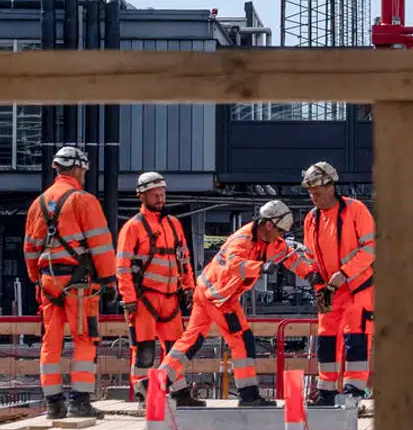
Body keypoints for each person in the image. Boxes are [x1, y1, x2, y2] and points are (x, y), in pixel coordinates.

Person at [156, 200, 314, 407]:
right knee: (242, 339)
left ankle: (157, 383)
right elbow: (234, 265)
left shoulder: (272, 242)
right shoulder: (242, 239)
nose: (282, 236)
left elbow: (289, 258)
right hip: (219, 296)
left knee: (190, 341)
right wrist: (261, 267)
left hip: (209, 292)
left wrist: (311, 275)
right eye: (280, 230)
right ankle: (248, 395)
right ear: (268, 225)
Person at [24, 146, 117, 420]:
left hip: (48, 281)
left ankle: (53, 404)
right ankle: (80, 400)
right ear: (77, 169)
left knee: (50, 342)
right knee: (85, 338)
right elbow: (101, 244)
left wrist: (36, 281)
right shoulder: (83, 200)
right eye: (84, 171)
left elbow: (30, 250)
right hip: (78, 284)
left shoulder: (37, 204)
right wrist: (109, 280)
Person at [298, 162, 375, 405]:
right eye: (310, 192)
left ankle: (353, 390)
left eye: (317, 191)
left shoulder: (355, 210)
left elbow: (371, 249)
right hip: (329, 291)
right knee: (326, 341)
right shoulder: (311, 218)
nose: (314, 197)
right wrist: (316, 283)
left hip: (357, 288)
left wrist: (343, 274)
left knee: (356, 339)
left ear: (331, 187)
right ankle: (326, 392)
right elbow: (309, 257)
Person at [116, 172, 195, 395]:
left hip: (170, 299)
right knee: (144, 350)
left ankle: (179, 392)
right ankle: (144, 395)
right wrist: (129, 297)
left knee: (175, 350)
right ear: (142, 196)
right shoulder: (133, 227)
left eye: (162, 194)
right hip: (144, 300)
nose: (160, 199)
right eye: (154, 195)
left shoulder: (174, 224)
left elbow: (183, 258)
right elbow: (122, 266)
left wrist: (189, 287)